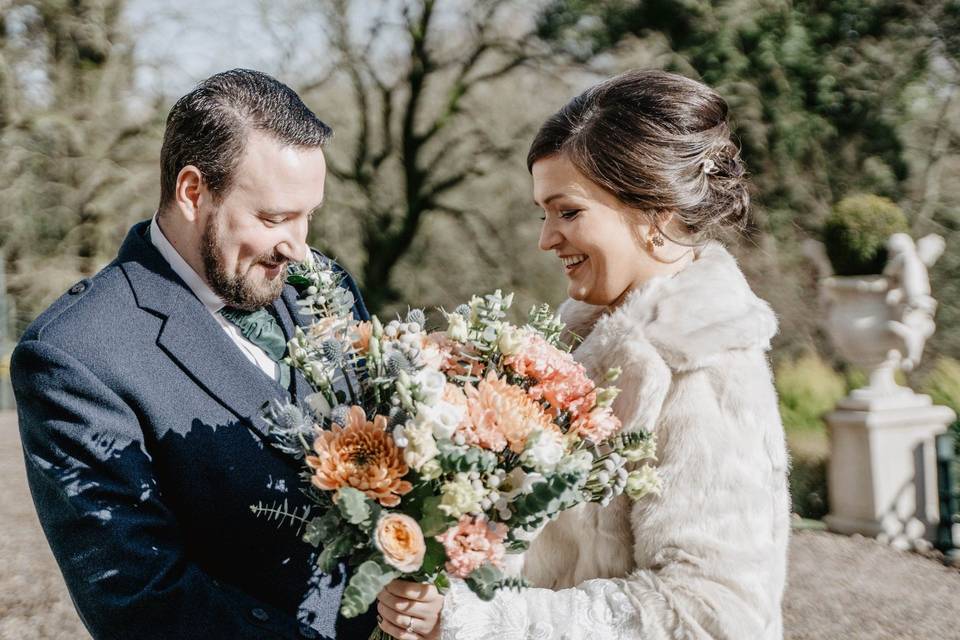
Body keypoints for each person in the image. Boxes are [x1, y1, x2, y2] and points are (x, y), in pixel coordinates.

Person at [378, 70, 790, 639]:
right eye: (542, 213)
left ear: (656, 212)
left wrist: (480, 621)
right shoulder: (574, 348)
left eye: (567, 212)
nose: (546, 239)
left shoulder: (706, 366)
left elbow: (711, 614)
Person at [11, 69, 376, 640]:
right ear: (192, 191)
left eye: (310, 216)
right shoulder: (74, 355)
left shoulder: (322, 284)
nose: (298, 247)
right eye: (274, 218)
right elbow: (143, 600)